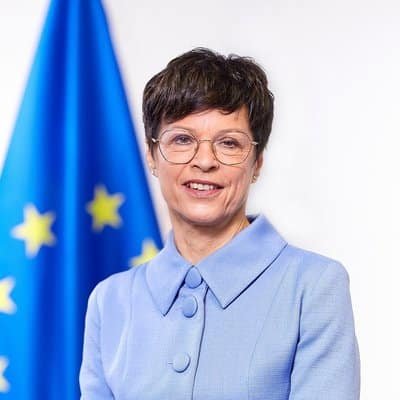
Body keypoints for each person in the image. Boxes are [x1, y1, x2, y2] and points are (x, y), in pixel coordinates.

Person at [79, 48, 360, 400]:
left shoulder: (314, 287)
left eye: (228, 143)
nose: (204, 161)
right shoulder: (110, 301)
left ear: (257, 163)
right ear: (151, 156)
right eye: (182, 139)